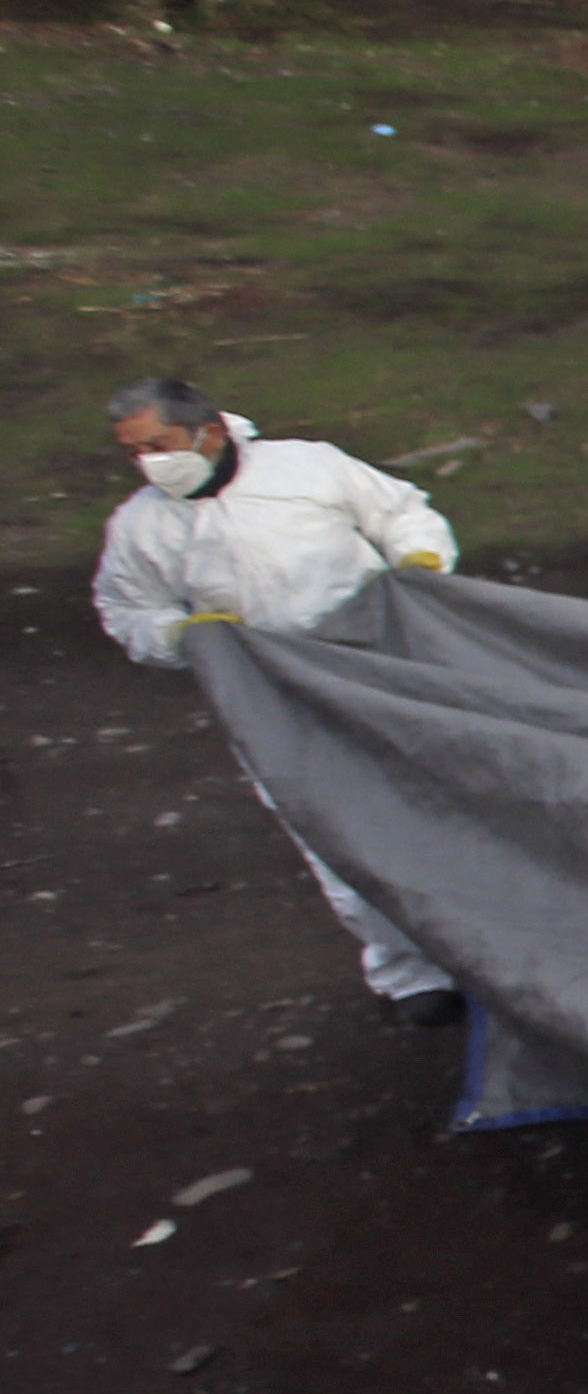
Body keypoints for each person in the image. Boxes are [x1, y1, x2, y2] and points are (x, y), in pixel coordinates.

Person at [87, 375, 465, 1020]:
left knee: (441, 803)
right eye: (132, 452)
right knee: (330, 833)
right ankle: (413, 976)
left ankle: (495, 946)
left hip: (377, 663)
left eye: (157, 444)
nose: (146, 463)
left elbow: (400, 511)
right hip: (266, 693)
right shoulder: (142, 528)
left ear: (207, 432)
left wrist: (422, 559)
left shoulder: (307, 468)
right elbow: (126, 608)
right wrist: (179, 635)